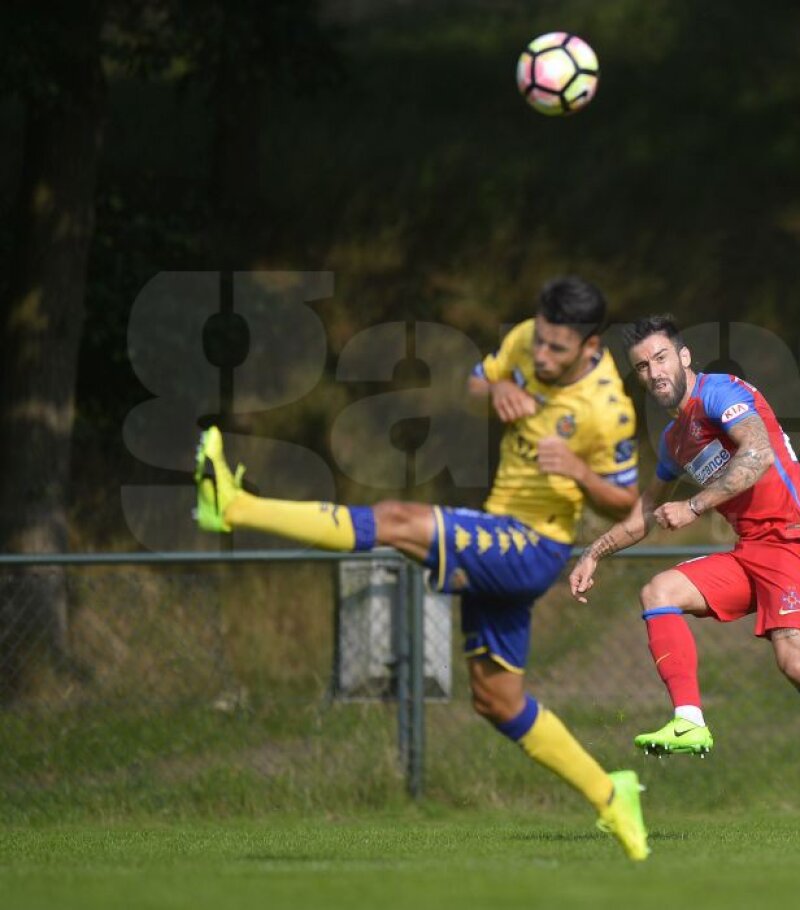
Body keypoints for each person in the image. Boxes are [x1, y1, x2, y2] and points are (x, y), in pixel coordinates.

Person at [193, 276, 650, 859]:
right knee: (497, 702)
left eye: (557, 349)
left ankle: (232, 506)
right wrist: (502, 388)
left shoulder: (606, 410)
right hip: (498, 529)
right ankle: (612, 795)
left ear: (591, 347)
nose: (541, 355)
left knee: (398, 518)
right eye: (539, 340)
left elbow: (628, 504)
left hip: (533, 546)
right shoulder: (524, 344)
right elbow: (474, 384)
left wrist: (581, 475)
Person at [568, 314, 800, 828]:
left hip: (797, 544)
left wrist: (696, 507)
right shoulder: (676, 440)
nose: (654, 372)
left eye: (660, 358)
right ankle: (689, 721)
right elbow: (645, 513)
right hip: (752, 552)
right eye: (642, 366)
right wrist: (594, 552)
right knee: (658, 590)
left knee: (795, 664)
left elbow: (759, 453)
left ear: (683, 357)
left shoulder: (721, 392)